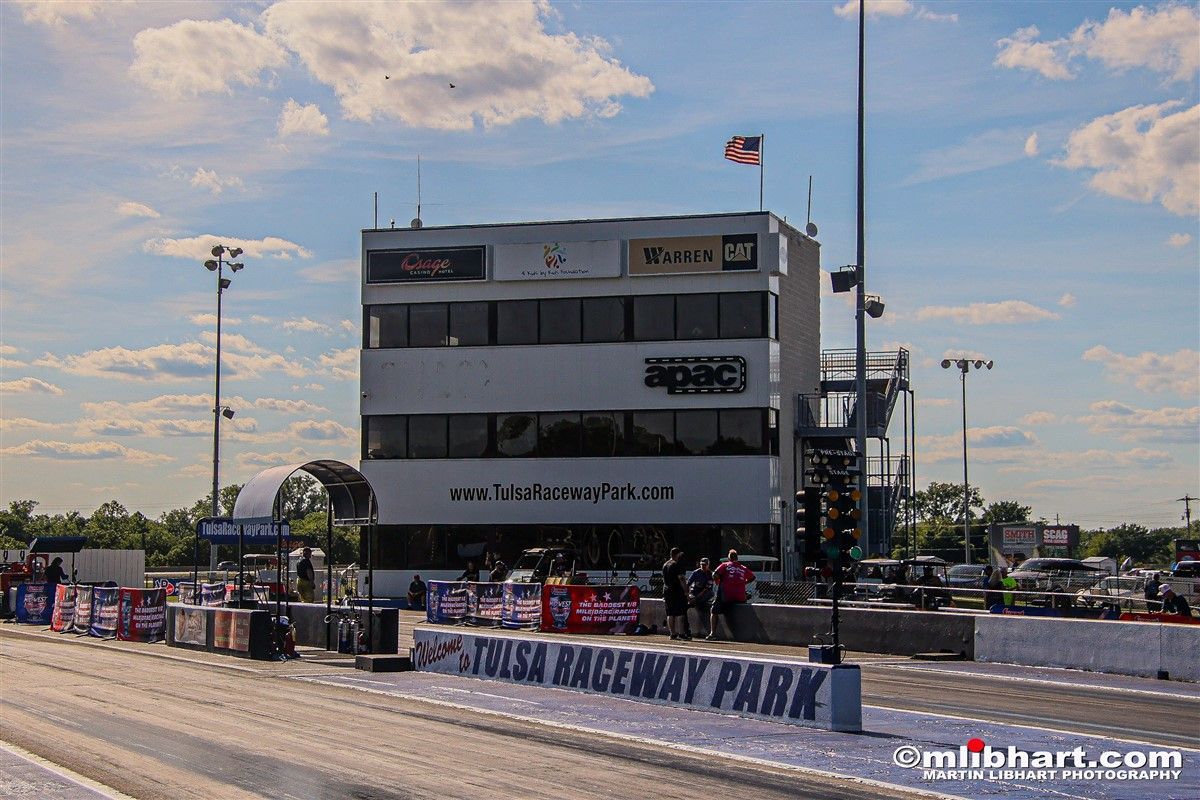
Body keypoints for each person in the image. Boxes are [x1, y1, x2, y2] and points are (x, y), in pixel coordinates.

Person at [708, 550, 755, 641]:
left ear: (729, 558)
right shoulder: (743, 568)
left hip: (726, 595)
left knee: (713, 610)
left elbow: (714, 574)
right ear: (737, 558)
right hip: (740, 597)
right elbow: (753, 577)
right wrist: (743, 583)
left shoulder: (725, 565)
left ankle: (712, 633)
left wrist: (719, 582)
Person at [661, 547, 689, 640]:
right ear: (677, 554)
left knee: (670, 613)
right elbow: (681, 578)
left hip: (667, 590)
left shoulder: (665, 565)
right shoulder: (676, 564)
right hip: (677, 591)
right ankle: (681, 632)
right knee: (680, 612)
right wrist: (686, 591)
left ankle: (672, 633)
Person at [686, 558, 715, 638]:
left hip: (704, 593)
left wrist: (697, 597)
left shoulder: (710, 574)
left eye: (705, 565)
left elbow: (707, 588)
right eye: (702, 565)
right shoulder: (696, 573)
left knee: (710, 594)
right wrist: (688, 595)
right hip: (694, 592)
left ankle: (697, 603)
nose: (703, 566)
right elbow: (688, 584)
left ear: (708, 565)